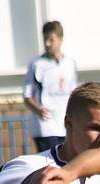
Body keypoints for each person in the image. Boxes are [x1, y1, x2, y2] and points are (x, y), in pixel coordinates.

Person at [23, 20, 77, 153]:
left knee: (67, 165)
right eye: (45, 39)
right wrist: (39, 109)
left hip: (65, 125)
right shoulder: (37, 64)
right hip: (45, 127)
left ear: (60, 39)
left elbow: (73, 93)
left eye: (51, 40)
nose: (47, 44)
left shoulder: (70, 63)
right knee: (50, 166)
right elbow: (27, 96)